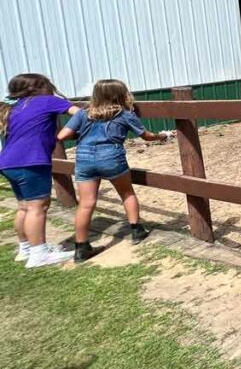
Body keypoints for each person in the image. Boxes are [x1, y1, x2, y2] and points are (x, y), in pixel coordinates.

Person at [57, 79, 168, 262]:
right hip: (111, 156)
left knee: (86, 203)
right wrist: (161, 136)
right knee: (126, 193)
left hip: (84, 157)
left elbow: (63, 135)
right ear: (121, 95)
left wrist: (84, 134)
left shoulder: (83, 113)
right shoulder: (124, 114)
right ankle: (136, 230)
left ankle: (81, 247)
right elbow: (146, 136)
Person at [0, 73, 80, 268]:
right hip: (31, 161)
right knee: (38, 207)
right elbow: (79, 113)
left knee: (24, 207)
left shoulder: (15, 106)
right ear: (41, 87)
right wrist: (65, 133)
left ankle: (26, 248)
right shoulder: (47, 101)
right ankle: (39, 254)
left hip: (8, 162)